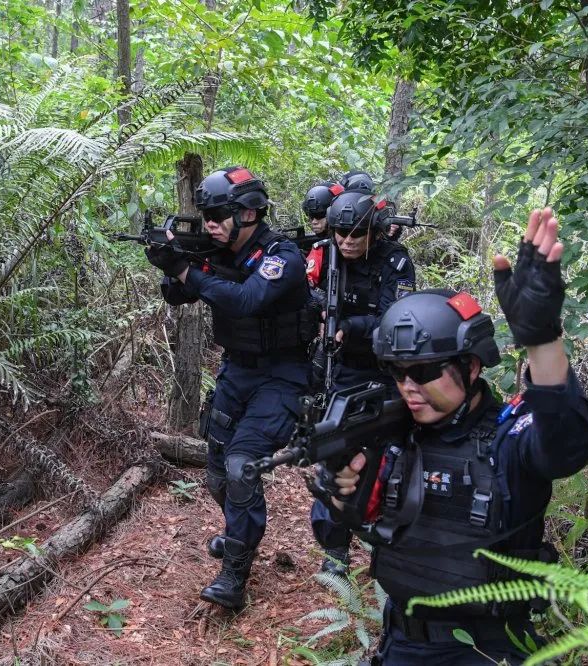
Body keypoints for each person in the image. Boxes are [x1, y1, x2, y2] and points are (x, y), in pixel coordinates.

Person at [321, 209, 588, 664]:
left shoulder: (507, 436)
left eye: (424, 371)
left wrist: (542, 340)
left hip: (490, 648)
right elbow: (347, 526)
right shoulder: (393, 434)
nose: (409, 386)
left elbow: (565, 443)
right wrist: (342, 490)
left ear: (470, 367)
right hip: (405, 641)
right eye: (397, 372)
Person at [145, 166, 318, 610]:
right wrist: (174, 263)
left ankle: (234, 576)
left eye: (219, 215)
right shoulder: (216, 252)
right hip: (237, 371)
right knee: (219, 471)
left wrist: (187, 268)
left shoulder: (282, 255)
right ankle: (239, 531)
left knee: (242, 465)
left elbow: (247, 300)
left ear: (249, 212)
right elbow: (177, 294)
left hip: (283, 374)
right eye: (206, 216)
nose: (211, 224)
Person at [307, 185, 416, 576]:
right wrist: (318, 313)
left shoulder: (396, 262)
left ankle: (384, 543)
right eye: (341, 234)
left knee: (389, 460)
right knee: (336, 455)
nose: (348, 242)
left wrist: (350, 327)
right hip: (341, 371)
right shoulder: (325, 253)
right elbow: (304, 293)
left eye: (357, 235)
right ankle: (335, 549)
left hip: (386, 373)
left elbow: (398, 319)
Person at [301, 181, 344, 286]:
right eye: (311, 216)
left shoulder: (346, 243)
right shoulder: (319, 246)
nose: (314, 221)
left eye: (320, 215)